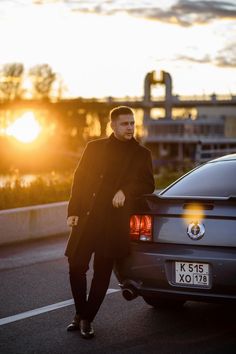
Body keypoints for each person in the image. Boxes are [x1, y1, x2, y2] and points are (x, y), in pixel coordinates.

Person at [65, 106, 155, 339]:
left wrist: (125, 191)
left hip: (113, 223)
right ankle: (80, 312)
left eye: (132, 123)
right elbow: (79, 178)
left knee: (102, 274)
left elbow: (148, 185)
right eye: (125, 124)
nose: (130, 128)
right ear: (112, 126)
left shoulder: (141, 154)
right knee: (76, 267)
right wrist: (73, 210)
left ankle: (86, 319)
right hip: (87, 218)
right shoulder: (93, 148)